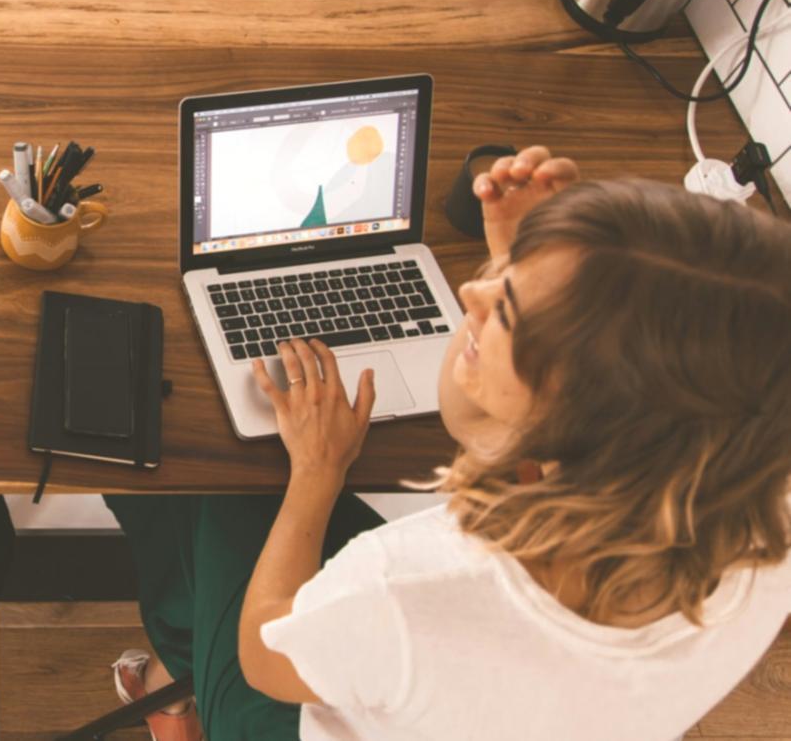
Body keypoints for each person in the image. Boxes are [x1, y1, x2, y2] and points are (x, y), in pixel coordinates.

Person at [106, 146, 791, 740]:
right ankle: (176, 665)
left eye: (507, 308)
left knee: (209, 474)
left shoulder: (412, 583)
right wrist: (538, 265)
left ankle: (186, 690)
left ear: (580, 412)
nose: (467, 289)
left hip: (284, 704)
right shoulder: (761, 513)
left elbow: (264, 656)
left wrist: (315, 471)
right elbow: (498, 424)